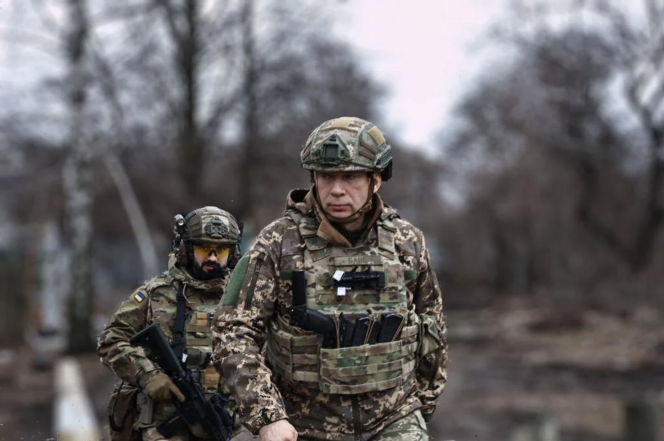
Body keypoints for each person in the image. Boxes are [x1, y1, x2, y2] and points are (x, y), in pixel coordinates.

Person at [211, 117, 448, 441]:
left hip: (394, 417)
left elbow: (432, 327)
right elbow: (232, 332)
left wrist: (421, 406)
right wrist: (268, 416)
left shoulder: (406, 243)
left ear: (375, 180)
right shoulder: (277, 244)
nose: (336, 189)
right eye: (326, 177)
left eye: (350, 177)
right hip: (301, 425)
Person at [98, 206, 249, 441]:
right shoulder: (155, 293)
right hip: (163, 426)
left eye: (220, 251)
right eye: (203, 249)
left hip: (229, 423)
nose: (212, 257)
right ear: (185, 250)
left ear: (233, 254)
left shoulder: (244, 297)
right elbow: (111, 340)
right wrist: (147, 375)